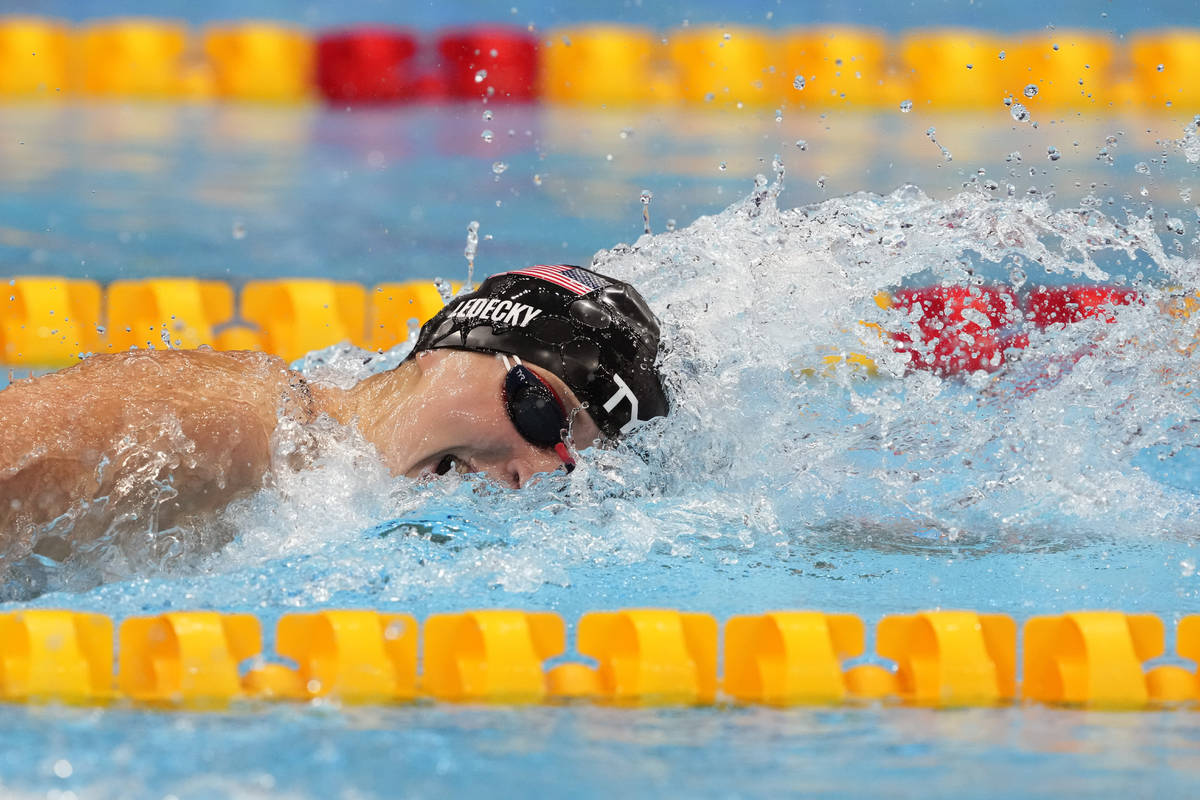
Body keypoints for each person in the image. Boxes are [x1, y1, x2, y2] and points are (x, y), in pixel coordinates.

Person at [0, 264, 669, 559]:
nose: (532, 474)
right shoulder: (240, 422)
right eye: (541, 413)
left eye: (570, 463)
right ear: (456, 346)